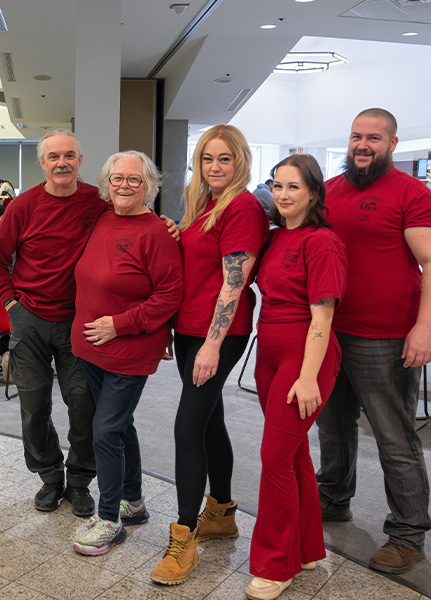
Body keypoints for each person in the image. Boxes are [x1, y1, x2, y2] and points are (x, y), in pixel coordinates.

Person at [316, 108, 431, 575]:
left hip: (387, 337)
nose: (363, 144)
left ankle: (408, 534)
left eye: (374, 137)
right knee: (332, 427)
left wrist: (425, 326)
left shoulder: (413, 194)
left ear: (392, 143)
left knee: (394, 438)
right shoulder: (329, 190)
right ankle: (332, 499)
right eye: (356, 136)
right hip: (330, 334)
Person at [150, 125, 269, 586]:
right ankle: (220, 512)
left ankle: (184, 539)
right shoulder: (204, 206)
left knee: (186, 427)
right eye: (207, 159)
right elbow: (196, 265)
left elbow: (233, 283)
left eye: (224, 159)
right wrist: (174, 231)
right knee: (209, 420)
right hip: (189, 328)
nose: (215, 167)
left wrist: (213, 345)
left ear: (240, 161)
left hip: (216, 333)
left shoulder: (241, 207)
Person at [69, 151, 183, 556]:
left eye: (134, 180)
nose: (124, 186)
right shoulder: (103, 217)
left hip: (129, 350)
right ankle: (132, 502)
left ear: (149, 185)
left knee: (106, 431)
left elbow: (169, 294)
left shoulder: (157, 233)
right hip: (89, 347)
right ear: (107, 182)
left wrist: (119, 324)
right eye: (117, 178)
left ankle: (108, 520)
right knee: (119, 427)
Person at [0, 129, 108, 517]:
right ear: (42, 163)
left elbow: (133, 222)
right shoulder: (22, 206)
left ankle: (78, 481)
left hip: (80, 322)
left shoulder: (98, 202)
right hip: (30, 320)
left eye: (70, 156)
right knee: (34, 404)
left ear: (80, 161)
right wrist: (11, 304)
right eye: (54, 156)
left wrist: (166, 225)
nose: (62, 163)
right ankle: (49, 477)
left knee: (83, 404)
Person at [246, 154, 347, 600]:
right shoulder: (271, 238)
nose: (284, 195)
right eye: (278, 185)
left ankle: (275, 564)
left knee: (274, 459)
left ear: (313, 192)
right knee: (292, 455)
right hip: (268, 353)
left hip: (306, 357)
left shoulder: (322, 242)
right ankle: (306, 548)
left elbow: (322, 316)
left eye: (294, 187)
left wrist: (308, 379)